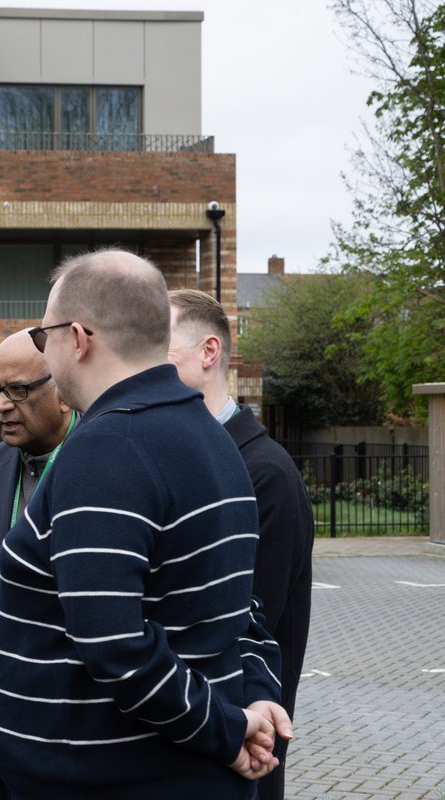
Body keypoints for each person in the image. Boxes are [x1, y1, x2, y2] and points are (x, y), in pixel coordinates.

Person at [0, 250, 292, 799]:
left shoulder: (105, 449)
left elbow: (116, 646)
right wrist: (256, 697)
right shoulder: (214, 438)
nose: (44, 352)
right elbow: (239, 605)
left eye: (42, 336)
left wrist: (229, 730)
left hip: (116, 782)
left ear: (77, 338)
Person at [169, 288, 314, 800]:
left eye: (160, 353)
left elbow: (245, 628)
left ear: (209, 353)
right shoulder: (190, 460)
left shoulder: (264, 474)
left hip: (241, 745)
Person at [0, 328, 76, 799]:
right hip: (1, 740)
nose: (2, 405)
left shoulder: (103, 465)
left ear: (63, 390)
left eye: (19, 390)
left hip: (85, 743)